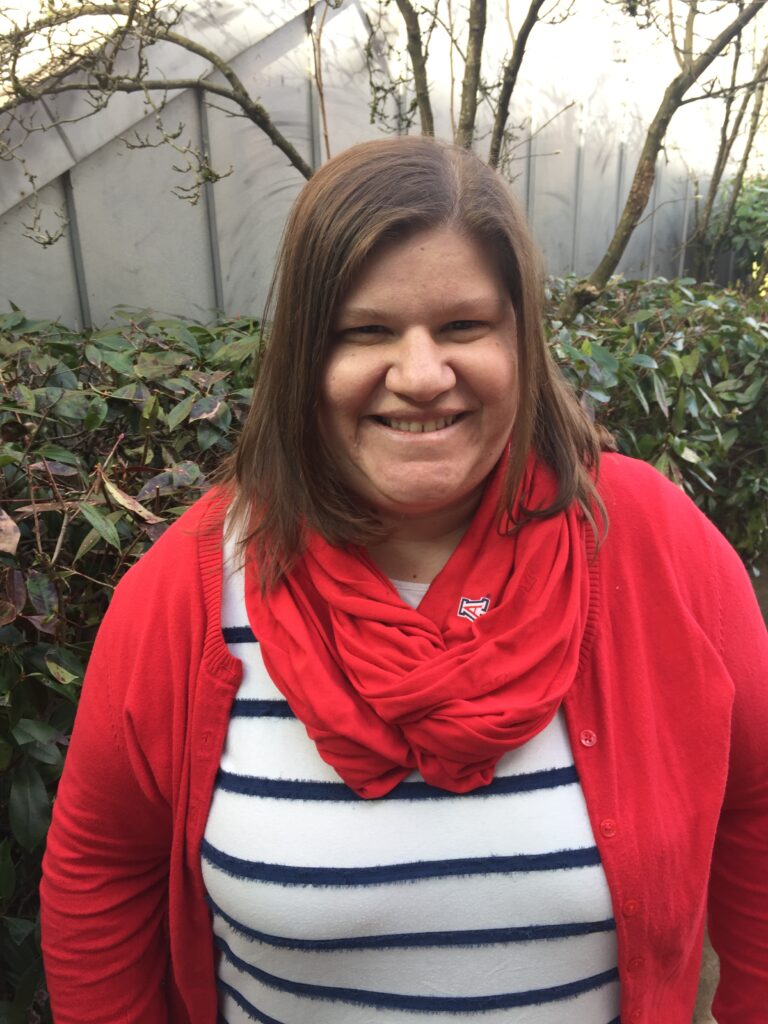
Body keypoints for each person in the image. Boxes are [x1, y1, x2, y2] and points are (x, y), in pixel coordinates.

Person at [40, 137, 768, 1024]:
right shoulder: (189, 593)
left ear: (521, 341)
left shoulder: (652, 548)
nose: (422, 376)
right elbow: (100, 871)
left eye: (465, 326)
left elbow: (758, 812)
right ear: (305, 354)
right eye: (366, 331)